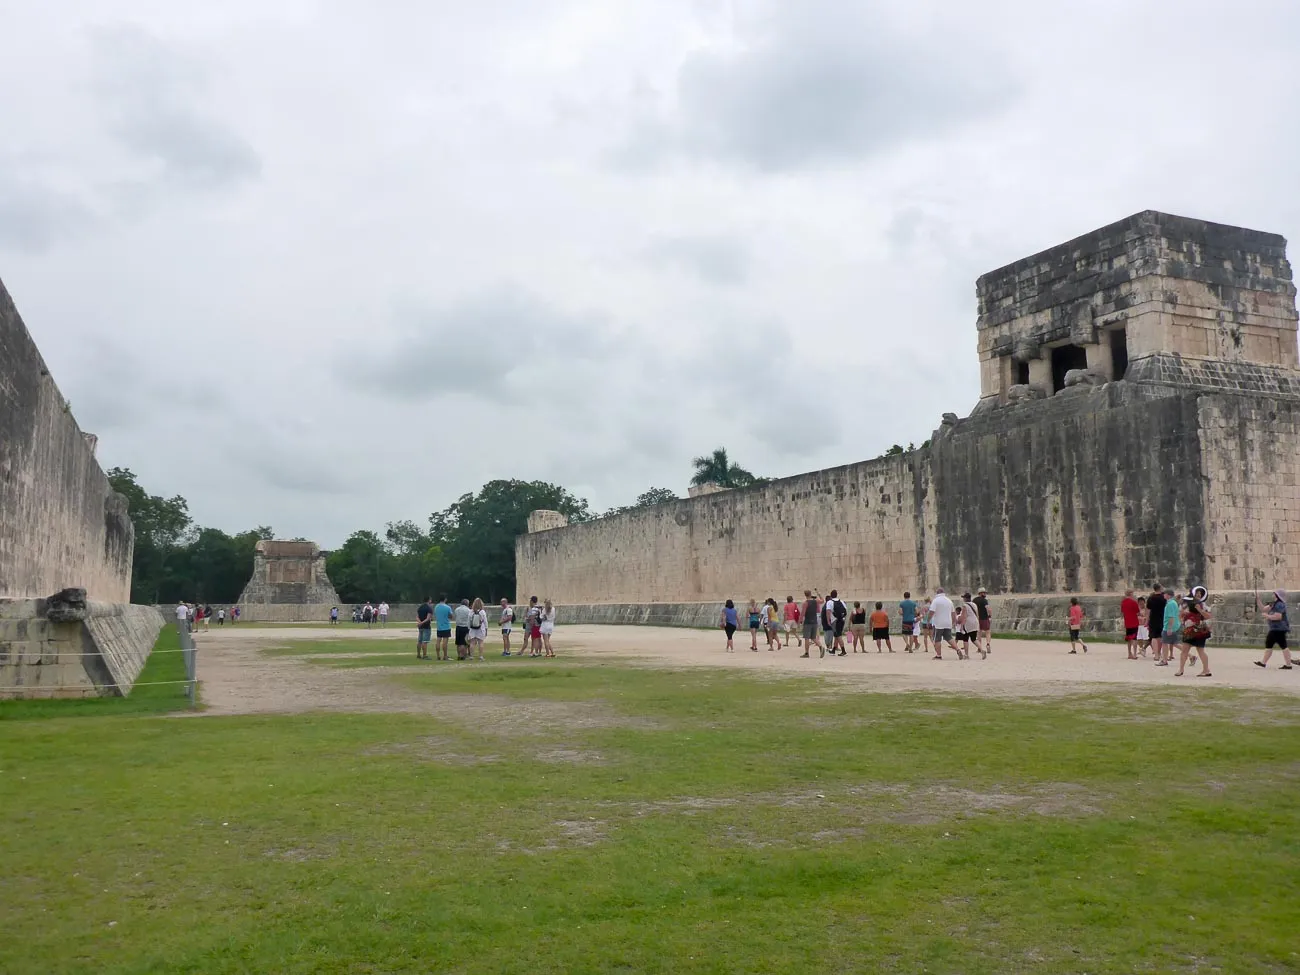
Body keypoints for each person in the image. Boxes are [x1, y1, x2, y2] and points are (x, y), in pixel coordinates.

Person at [1254, 589, 1294, 669]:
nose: (1272, 594)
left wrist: (1267, 616)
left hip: (1279, 628)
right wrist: (1258, 599)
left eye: (1274, 593)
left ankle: (1288, 665)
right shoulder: (1274, 604)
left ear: (1277, 595)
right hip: (1275, 628)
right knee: (1269, 643)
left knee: (1283, 645)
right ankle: (1263, 663)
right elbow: (1263, 609)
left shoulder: (1280, 604)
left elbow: (1278, 617)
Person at [1176, 593, 1212, 678]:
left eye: (1200, 594)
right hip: (1190, 631)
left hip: (1199, 631)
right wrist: (1182, 619)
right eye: (1197, 594)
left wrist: (1200, 610)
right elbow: (1180, 616)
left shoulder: (1202, 605)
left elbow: (1208, 616)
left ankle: (1206, 670)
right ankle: (1181, 669)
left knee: (1200, 651)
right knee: (1185, 650)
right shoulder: (1185, 605)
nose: (1199, 596)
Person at [929, 588, 958, 659]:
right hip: (948, 623)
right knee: (949, 637)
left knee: (937, 639)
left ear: (937, 593)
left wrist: (928, 620)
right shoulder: (949, 601)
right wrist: (953, 622)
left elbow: (931, 612)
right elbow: (953, 613)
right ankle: (958, 649)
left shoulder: (935, 601)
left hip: (938, 623)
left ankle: (938, 655)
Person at [1147, 585, 1168, 664]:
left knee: (1154, 637)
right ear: (1160, 589)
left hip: (1153, 618)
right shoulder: (1164, 598)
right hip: (1163, 618)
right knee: (1160, 636)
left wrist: (1147, 619)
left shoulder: (1151, 598)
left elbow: (1148, 609)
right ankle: (1160, 653)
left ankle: (1156, 655)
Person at [1159, 588, 1180, 666]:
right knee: (1174, 643)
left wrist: (1169, 628)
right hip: (1172, 625)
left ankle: (1164, 660)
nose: (1163, 595)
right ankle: (1191, 656)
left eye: (1164, 594)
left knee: (1165, 643)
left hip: (1169, 625)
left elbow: (1171, 617)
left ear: (1168, 595)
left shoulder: (1170, 604)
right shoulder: (1173, 602)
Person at [1121, 589, 1140, 659]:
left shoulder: (1123, 602)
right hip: (1134, 622)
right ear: (1131, 594)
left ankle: (1129, 653)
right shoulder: (1134, 602)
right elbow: (1137, 612)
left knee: (1129, 638)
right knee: (1134, 638)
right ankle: (1134, 654)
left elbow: (1122, 612)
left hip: (1127, 622)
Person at [800, 590, 820, 658]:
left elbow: (803, 613)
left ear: (805, 595)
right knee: (813, 637)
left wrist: (800, 621)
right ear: (811, 594)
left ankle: (806, 653)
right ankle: (820, 647)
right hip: (814, 621)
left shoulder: (805, 603)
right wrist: (819, 594)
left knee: (806, 638)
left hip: (808, 622)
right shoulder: (816, 601)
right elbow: (822, 600)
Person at [961, 593, 982, 658]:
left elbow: (964, 616)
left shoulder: (965, 605)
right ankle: (982, 649)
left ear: (965, 598)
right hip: (975, 622)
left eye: (963, 597)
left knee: (965, 638)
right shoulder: (974, 604)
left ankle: (966, 654)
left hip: (968, 623)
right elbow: (977, 615)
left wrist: (962, 626)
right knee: (974, 638)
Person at [433, 596, 453, 661]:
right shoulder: (447, 607)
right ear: (445, 599)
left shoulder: (436, 607)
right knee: (445, 642)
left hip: (439, 626)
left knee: (438, 641)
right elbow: (451, 616)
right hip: (446, 626)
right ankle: (445, 656)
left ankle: (438, 656)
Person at [973, 587, 992, 655]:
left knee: (979, 633)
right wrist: (990, 616)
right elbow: (988, 609)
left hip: (977, 619)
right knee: (987, 632)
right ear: (981, 593)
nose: (985, 594)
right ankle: (988, 644)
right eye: (984, 593)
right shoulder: (984, 600)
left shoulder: (974, 600)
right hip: (984, 618)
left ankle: (979, 647)